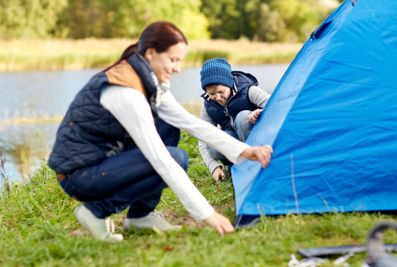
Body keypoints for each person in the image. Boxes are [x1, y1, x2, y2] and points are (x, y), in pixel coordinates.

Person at [48, 21, 273, 241]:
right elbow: (160, 159)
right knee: (175, 158)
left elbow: (191, 123)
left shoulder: (149, 81)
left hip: (106, 159)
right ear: (152, 53)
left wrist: (244, 151)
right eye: (173, 59)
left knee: (169, 125)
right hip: (79, 174)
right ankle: (96, 210)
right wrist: (208, 215)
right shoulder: (125, 91)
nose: (177, 67)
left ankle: (140, 217)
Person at [198, 58, 271, 181]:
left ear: (229, 83)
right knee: (212, 144)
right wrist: (214, 167)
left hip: (256, 138)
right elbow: (203, 138)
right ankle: (236, 166)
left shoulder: (249, 90)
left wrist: (261, 112)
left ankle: (257, 163)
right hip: (234, 143)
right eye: (211, 94)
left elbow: (276, 106)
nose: (217, 98)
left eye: (221, 92)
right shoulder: (208, 105)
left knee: (243, 117)